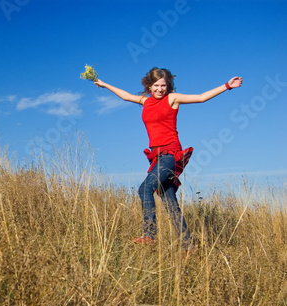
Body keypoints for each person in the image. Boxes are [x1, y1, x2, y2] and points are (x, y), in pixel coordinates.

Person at [93, 67, 243, 250]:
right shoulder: (145, 101)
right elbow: (124, 96)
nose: (159, 89)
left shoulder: (172, 99)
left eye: (163, 85)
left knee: (144, 189)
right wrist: (104, 84)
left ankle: (149, 234)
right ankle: (187, 246)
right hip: (156, 157)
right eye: (156, 85)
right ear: (149, 86)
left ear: (168, 86)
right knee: (169, 200)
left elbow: (201, 97)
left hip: (170, 155)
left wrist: (227, 85)